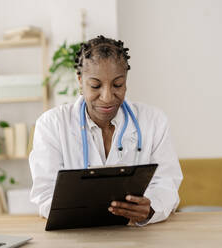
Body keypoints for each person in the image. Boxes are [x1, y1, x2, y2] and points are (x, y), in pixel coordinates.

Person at [29, 35, 183, 226]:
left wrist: (150, 209)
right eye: (95, 85)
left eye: (118, 84)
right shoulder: (52, 124)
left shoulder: (153, 121)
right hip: (76, 236)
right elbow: (44, 193)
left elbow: (167, 183)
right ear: (80, 80)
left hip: (137, 236)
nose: (107, 97)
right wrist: (80, 211)